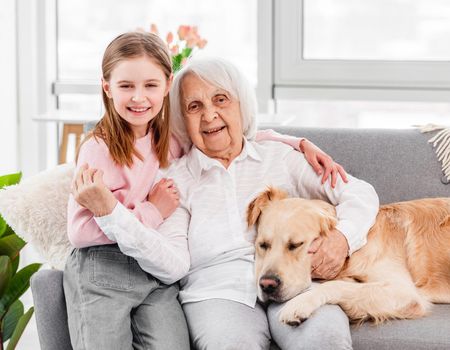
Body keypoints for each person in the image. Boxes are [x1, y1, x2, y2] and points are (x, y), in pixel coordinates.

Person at [64, 32, 347, 350]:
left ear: (166, 85)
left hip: (151, 271)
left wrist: (296, 142)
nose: (138, 98)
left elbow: (236, 134)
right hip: (107, 260)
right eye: (126, 86)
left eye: (150, 86)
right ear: (107, 87)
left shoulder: (169, 141)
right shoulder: (101, 150)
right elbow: (80, 231)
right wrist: (153, 211)